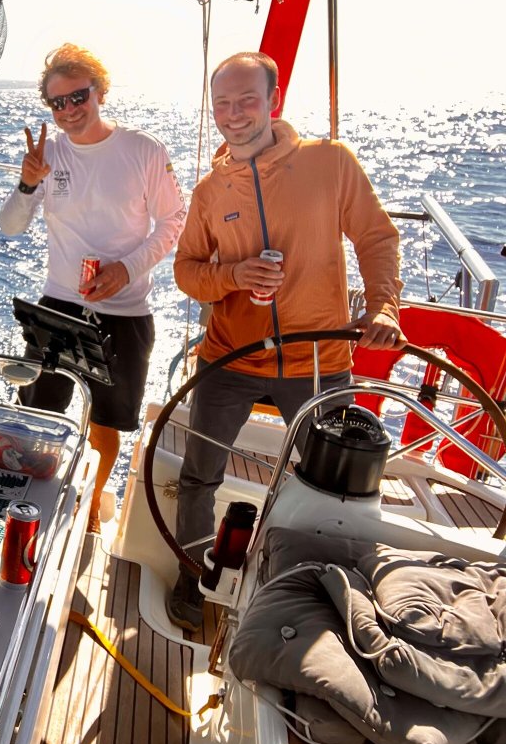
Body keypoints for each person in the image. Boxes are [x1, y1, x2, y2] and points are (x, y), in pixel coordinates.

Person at [168, 51, 404, 630]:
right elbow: (186, 270)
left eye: (247, 99)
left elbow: (376, 236)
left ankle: (315, 599)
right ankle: (197, 578)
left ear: (274, 100)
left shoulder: (330, 162)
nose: (233, 114)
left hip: (318, 360)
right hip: (229, 356)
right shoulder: (209, 190)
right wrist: (234, 276)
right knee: (198, 477)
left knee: (333, 493)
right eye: (221, 103)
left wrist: (385, 307)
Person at [0, 44, 186, 532]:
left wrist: (127, 268)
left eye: (77, 96)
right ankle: (30, 505)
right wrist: (25, 184)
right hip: (59, 305)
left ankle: (91, 507)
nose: (68, 110)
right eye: (56, 103)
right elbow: (12, 227)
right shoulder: (48, 156)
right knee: (39, 412)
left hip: (125, 309)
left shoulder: (143, 150)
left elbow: (173, 220)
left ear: (100, 91)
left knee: (106, 422)